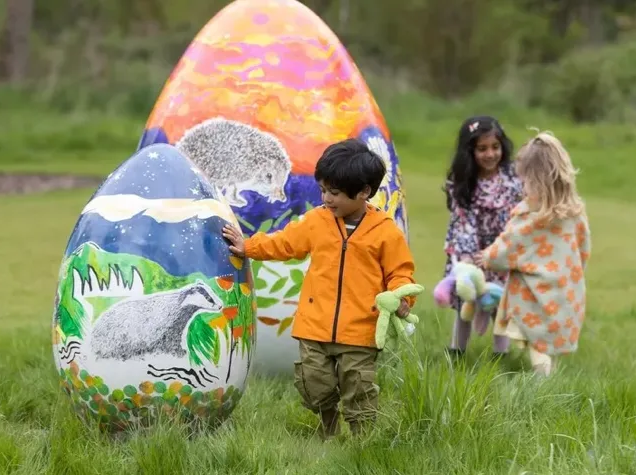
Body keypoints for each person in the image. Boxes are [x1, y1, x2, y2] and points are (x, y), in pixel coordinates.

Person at [222, 138, 417, 438]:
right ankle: (328, 429)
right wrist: (248, 246)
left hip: (360, 329)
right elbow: (283, 243)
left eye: (335, 193)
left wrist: (402, 298)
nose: (326, 198)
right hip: (314, 325)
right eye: (323, 189)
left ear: (364, 192)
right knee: (315, 383)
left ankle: (362, 441)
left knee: (358, 386)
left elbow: (400, 273)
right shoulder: (316, 222)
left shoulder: (385, 232)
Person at [474, 131, 591, 376]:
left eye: (525, 181)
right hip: (567, 293)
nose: (522, 187)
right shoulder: (574, 212)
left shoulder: (529, 216)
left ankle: (542, 383)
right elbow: (584, 249)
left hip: (535, 298)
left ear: (536, 182)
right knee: (549, 344)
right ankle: (551, 375)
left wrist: (487, 257)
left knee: (536, 343)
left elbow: (506, 248)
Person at [442, 116, 523, 358]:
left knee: (499, 300)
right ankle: (457, 350)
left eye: (495, 147)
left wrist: (500, 252)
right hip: (471, 248)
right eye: (482, 149)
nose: (490, 154)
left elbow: (520, 216)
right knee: (466, 298)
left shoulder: (513, 178)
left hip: (501, 249)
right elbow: (461, 220)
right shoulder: (463, 182)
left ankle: (501, 354)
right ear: (470, 151)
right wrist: (470, 258)